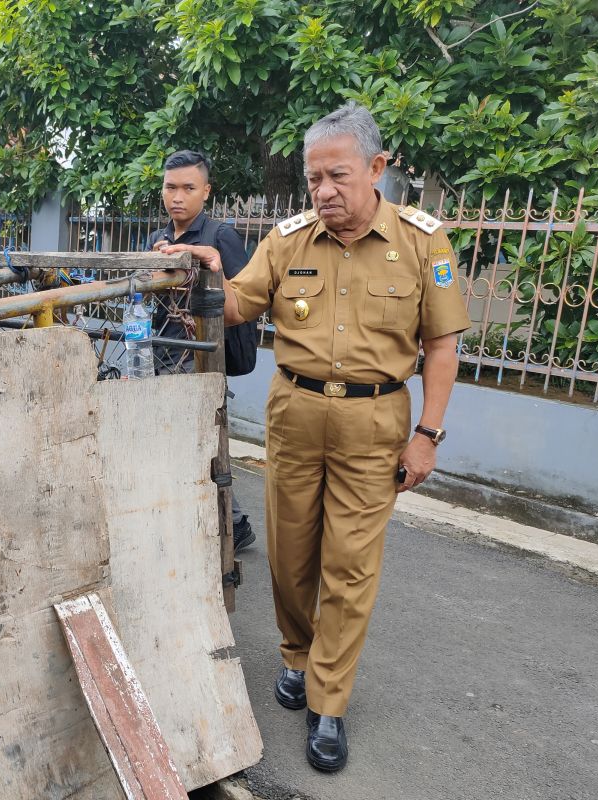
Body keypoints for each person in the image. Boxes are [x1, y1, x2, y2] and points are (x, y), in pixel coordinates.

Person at [164, 103, 471, 773]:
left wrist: (428, 435)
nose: (324, 192)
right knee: (291, 555)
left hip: (375, 423)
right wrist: (208, 268)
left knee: (350, 565)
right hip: (295, 415)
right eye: (314, 180)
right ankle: (298, 658)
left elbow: (441, 347)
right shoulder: (290, 238)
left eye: (337, 176)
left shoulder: (423, 242)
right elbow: (241, 302)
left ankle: (328, 702)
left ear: (377, 169)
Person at [146, 150, 257, 552]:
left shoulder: (219, 237)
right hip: (164, 352)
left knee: (201, 442)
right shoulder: (157, 239)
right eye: (170, 187)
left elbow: (246, 299)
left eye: (188, 188)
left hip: (205, 356)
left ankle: (236, 522)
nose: (178, 196)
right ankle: (209, 517)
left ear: (206, 192)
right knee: (179, 441)